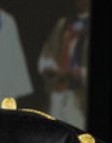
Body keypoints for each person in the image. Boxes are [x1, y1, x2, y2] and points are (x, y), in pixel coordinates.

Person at [38, 2, 90, 130]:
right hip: (58, 91)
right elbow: (45, 57)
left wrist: (78, 73)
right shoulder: (64, 23)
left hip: (79, 98)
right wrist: (52, 69)